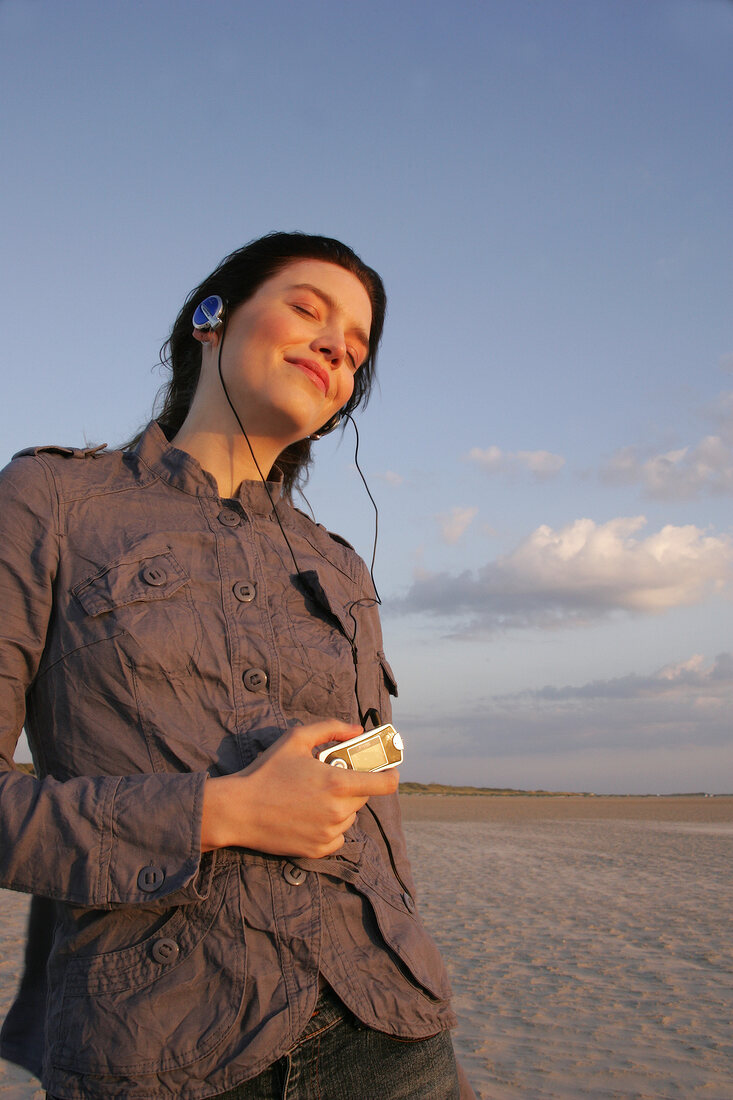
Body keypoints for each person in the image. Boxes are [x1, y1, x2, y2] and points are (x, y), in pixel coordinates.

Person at [0, 233, 474, 1099]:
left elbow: (377, 804)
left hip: (391, 1022)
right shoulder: (53, 501)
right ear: (209, 321)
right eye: (306, 308)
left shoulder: (339, 565)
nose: (338, 346)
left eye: (358, 346)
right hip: (162, 1040)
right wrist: (221, 811)